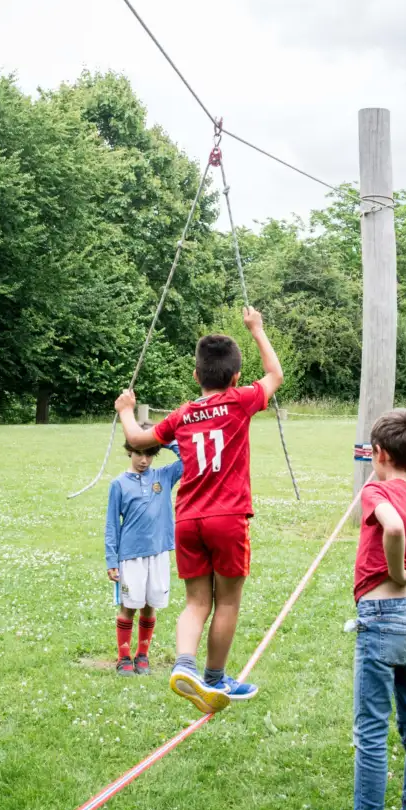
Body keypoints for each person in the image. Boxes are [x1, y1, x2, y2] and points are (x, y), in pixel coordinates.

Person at [114, 306, 283, 715]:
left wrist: (124, 409)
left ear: (196, 376)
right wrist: (257, 330)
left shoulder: (182, 414)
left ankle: (183, 665)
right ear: (235, 377)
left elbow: (138, 438)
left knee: (196, 603)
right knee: (226, 602)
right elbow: (275, 374)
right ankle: (213, 678)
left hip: (188, 519)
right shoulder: (241, 401)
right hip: (228, 518)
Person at [314, 409, 406, 810]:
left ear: (380, 454)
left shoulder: (375, 488)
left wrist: (394, 570)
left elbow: (391, 525)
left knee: (371, 732)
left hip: (381, 617)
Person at [105, 428, 182, 676]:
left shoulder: (163, 476)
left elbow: (189, 460)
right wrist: (111, 558)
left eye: (149, 454)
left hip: (158, 553)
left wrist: (165, 439)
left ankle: (142, 655)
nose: (143, 460)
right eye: (138, 453)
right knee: (130, 604)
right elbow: (111, 524)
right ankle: (123, 657)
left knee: (150, 604)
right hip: (130, 555)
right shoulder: (118, 484)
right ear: (129, 451)